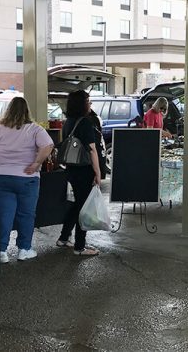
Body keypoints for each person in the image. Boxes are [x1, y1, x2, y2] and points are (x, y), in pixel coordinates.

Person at [0, 97, 54, 263]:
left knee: (3, 215)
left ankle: (1, 251)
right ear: (27, 111)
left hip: (0, 177)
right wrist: (36, 163)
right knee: (26, 214)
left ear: (8, 110)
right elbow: (48, 145)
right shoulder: (35, 129)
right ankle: (24, 249)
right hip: (26, 178)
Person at [57, 90, 102, 256]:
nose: (90, 104)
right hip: (84, 170)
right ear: (82, 104)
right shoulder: (85, 123)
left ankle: (63, 238)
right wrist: (97, 172)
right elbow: (92, 150)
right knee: (84, 208)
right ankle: (80, 246)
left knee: (77, 204)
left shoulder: (68, 122)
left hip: (71, 169)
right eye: (88, 101)